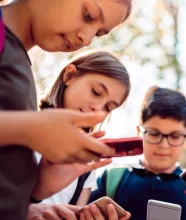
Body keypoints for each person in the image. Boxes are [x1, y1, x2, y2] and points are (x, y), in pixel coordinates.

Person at [0, 0, 132, 219]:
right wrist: (30, 130)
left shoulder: (21, 67)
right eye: (88, 15)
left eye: (98, 34)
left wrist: (37, 192)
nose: (87, 39)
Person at [89, 86, 186, 220]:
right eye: (154, 134)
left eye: (175, 136)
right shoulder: (110, 179)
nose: (164, 145)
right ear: (139, 132)